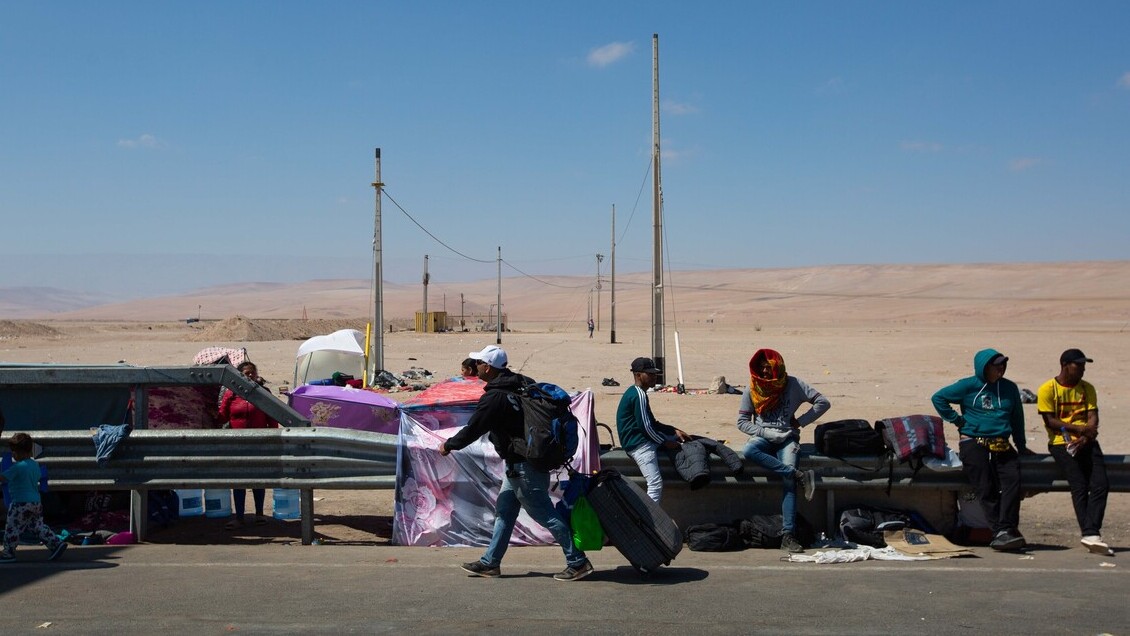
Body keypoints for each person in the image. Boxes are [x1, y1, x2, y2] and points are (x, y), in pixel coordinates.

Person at [439, 345, 593, 581]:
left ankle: (578, 561)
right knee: (505, 512)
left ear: (487, 367)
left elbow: (474, 428)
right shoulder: (521, 383)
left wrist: (449, 445)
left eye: (479, 363)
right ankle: (491, 563)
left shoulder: (495, 397)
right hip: (524, 463)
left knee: (544, 514)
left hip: (523, 466)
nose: (477, 367)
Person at [932, 348, 1033, 551]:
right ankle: (999, 532)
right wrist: (958, 421)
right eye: (996, 366)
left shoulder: (1009, 388)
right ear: (984, 368)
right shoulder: (968, 386)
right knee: (985, 487)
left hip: (1001, 442)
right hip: (973, 442)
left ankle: (1007, 529)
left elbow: (1017, 418)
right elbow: (938, 398)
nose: (1000, 370)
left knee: (1012, 482)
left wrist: (1021, 446)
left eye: (1003, 365)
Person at [737, 348, 830, 553]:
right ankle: (799, 476)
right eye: (760, 369)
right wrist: (766, 433)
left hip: (788, 438)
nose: (764, 373)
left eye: (768, 368)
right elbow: (742, 422)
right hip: (762, 437)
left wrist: (800, 422)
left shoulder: (794, 384)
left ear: (778, 367)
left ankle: (788, 535)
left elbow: (823, 402)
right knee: (750, 450)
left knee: (788, 484)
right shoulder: (752, 389)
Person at [1037, 348, 1110, 555]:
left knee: (1101, 484)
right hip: (1062, 443)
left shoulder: (1087, 389)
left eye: (1084, 366)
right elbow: (1050, 421)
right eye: (1078, 365)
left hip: (1086, 441)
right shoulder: (1048, 389)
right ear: (1064, 365)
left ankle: (1091, 532)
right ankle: (1090, 532)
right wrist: (1079, 430)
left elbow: (1093, 417)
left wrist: (1086, 436)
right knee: (1079, 484)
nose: (1082, 370)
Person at [616, 357, 691, 502]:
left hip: (641, 440)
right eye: (649, 374)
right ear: (638, 375)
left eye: (654, 374)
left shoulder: (636, 393)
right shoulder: (639, 395)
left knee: (684, 439)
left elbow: (652, 423)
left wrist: (673, 431)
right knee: (655, 484)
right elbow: (646, 428)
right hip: (639, 445)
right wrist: (664, 442)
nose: (654, 377)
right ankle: (649, 521)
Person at [218, 361, 278, 530]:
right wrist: (227, 399)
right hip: (237, 445)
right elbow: (222, 417)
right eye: (245, 373)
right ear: (239, 375)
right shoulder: (232, 394)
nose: (249, 375)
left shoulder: (263, 393)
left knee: (258, 479)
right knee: (239, 481)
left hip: (259, 444)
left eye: (252, 372)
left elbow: (272, 419)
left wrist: (272, 440)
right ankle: (239, 517)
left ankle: (259, 514)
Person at [1, 433, 67, 563]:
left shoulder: (18, 467)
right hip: (35, 502)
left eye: (14, 452)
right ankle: (55, 543)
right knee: (37, 526)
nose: (13, 455)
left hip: (20, 503)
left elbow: (3, 478)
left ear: (19, 452)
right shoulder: (34, 465)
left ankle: (8, 553)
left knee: (12, 527)